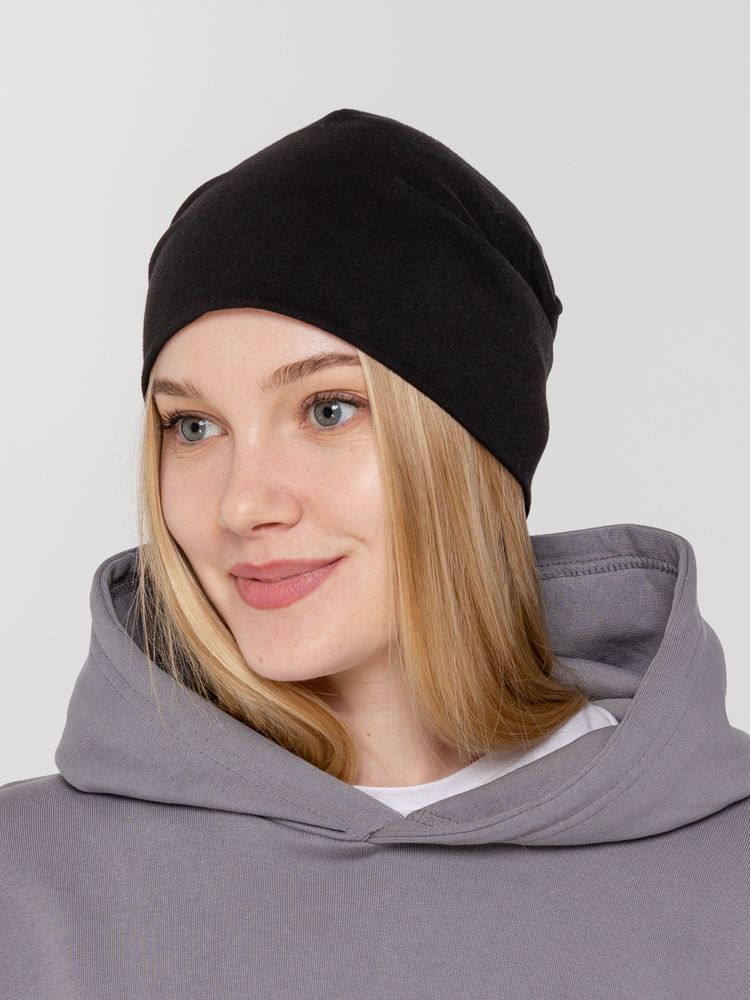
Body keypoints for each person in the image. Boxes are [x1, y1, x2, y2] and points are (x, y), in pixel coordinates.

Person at [2, 108, 749, 999]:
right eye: (192, 426)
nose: (244, 504)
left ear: (468, 451)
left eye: (328, 410)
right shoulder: (26, 884)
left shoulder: (725, 867)